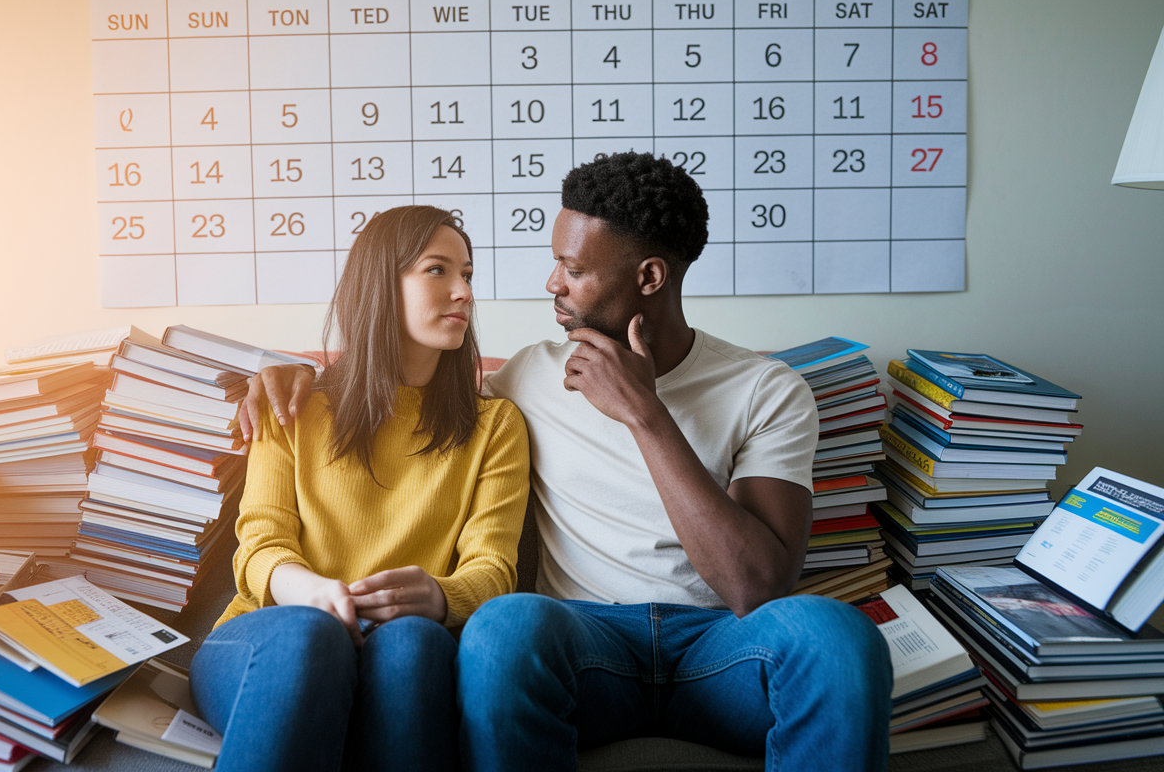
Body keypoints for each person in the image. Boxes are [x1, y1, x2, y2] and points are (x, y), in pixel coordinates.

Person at [244, 154, 892, 771]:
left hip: (722, 651)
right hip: (585, 648)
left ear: (649, 278)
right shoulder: (528, 377)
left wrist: (645, 414)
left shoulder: (766, 389)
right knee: (505, 627)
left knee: (839, 640)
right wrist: (295, 375)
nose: (552, 283)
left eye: (573, 269)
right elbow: (409, 398)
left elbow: (759, 586)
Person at [191, 205, 530, 772]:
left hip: (401, 644)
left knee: (413, 644)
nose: (464, 291)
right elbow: (259, 545)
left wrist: (441, 596)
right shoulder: (292, 407)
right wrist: (314, 594)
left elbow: (493, 569)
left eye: (467, 274)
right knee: (312, 636)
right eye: (437, 270)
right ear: (380, 283)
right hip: (272, 637)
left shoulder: (495, 427)